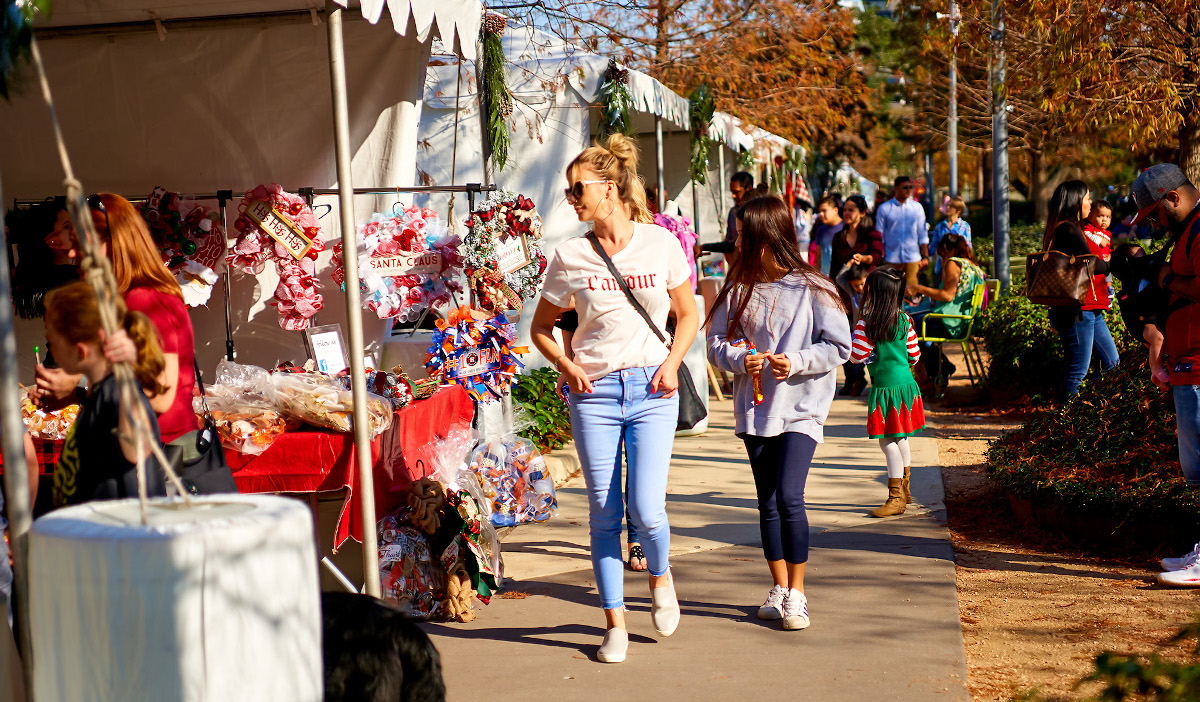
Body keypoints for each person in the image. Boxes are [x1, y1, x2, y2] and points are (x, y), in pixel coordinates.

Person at [531, 133, 699, 662]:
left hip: (653, 387)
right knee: (604, 515)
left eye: (578, 188)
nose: (571, 198)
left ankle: (660, 576)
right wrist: (567, 365)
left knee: (647, 510)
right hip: (596, 395)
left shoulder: (661, 243)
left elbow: (689, 314)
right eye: (568, 191)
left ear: (610, 187)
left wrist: (673, 363)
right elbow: (541, 328)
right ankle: (615, 624)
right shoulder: (570, 255)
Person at [706, 196, 851, 632]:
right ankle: (780, 588)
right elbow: (715, 343)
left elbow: (839, 346)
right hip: (756, 409)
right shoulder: (736, 286)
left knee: (789, 496)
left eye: (741, 234)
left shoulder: (815, 287)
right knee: (767, 502)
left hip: (802, 408)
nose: (735, 242)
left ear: (766, 238)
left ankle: (800, 594)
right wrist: (739, 359)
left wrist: (798, 360)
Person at [33, 195, 197, 445]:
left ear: (115, 243)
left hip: (161, 460)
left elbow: (157, 395)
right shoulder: (123, 299)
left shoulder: (144, 300)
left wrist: (78, 386)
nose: (73, 253)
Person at [1116, 165, 1200, 586]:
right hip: (1187, 364)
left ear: (1172, 197)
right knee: (1196, 470)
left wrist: (1168, 278)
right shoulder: (1184, 234)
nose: (1152, 223)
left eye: (1154, 214)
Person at [44, 281, 168, 507]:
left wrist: (129, 376)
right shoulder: (102, 390)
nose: (51, 350)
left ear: (81, 350)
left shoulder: (118, 392)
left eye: (52, 343)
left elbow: (137, 448)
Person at [553, 308, 647, 572]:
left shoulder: (644, 267)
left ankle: (636, 538)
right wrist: (568, 365)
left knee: (641, 470)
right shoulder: (586, 268)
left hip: (644, 380)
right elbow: (571, 317)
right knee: (606, 474)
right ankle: (610, 541)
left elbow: (674, 317)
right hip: (596, 384)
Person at [849, 267, 925, 517]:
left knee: (887, 441)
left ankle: (895, 499)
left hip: (885, 390)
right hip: (907, 386)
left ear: (874, 294)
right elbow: (914, 355)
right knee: (901, 437)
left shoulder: (867, 323)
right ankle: (905, 490)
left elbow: (855, 356)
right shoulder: (904, 319)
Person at [1040, 180, 1119, 401]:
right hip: (1078, 309)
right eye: (1087, 198)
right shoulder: (1068, 229)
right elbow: (1093, 264)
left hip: (1091, 306)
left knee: (1113, 363)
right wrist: (1113, 262)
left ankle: (1084, 408)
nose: (1091, 203)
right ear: (1075, 201)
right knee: (1077, 371)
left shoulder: (1069, 227)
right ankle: (1065, 422)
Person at [905, 234, 987, 386]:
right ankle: (940, 369)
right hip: (966, 322)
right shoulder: (973, 266)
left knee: (909, 326)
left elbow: (948, 295)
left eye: (942, 254)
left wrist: (918, 288)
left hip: (951, 322)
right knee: (920, 328)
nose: (942, 259)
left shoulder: (953, 263)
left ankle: (930, 375)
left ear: (947, 250)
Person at [874, 176, 929, 286]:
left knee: (911, 290)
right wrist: (882, 254)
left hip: (912, 257)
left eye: (910, 187)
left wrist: (925, 256)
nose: (908, 190)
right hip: (891, 257)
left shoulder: (917, 207)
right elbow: (879, 234)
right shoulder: (884, 208)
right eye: (905, 187)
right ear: (896, 188)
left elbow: (922, 234)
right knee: (890, 290)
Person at [829, 194, 884, 279]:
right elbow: (834, 267)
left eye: (851, 210)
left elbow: (876, 257)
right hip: (843, 286)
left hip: (866, 284)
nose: (846, 213)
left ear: (862, 213)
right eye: (845, 210)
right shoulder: (838, 237)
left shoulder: (873, 234)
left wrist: (863, 258)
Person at [838, 263, 871, 396]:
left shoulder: (873, 293)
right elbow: (839, 278)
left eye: (862, 284)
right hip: (858, 333)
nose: (859, 288)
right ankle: (859, 380)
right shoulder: (852, 293)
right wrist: (849, 263)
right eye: (856, 285)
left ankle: (873, 383)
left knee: (873, 360)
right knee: (856, 361)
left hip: (872, 333)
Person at [927, 197, 972, 279]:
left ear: (958, 210)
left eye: (951, 206)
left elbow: (968, 246)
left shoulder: (965, 226)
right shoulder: (940, 226)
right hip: (942, 265)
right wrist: (926, 257)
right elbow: (934, 245)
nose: (947, 208)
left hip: (959, 265)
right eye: (947, 205)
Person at [810, 196, 843, 275]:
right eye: (819, 211)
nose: (821, 214)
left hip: (841, 277)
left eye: (824, 210)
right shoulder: (820, 230)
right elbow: (818, 257)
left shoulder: (845, 228)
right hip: (824, 277)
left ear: (835, 210)